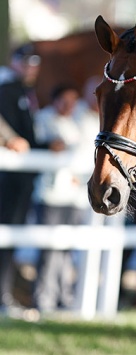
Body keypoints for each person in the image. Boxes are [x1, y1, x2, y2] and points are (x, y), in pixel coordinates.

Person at [32, 83, 90, 313]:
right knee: (48, 251)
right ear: (55, 100)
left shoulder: (75, 122)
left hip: (71, 195)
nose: (69, 106)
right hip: (49, 194)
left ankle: (63, 298)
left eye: (72, 101)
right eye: (65, 101)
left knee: (66, 251)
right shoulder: (44, 119)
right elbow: (43, 146)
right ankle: (43, 298)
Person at [0, 43, 42, 311]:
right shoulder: (7, 88)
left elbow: (29, 136)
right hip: (8, 179)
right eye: (24, 62)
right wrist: (9, 138)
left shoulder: (26, 92)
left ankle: (4, 294)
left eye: (33, 63)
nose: (29, 68)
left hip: (21, 179)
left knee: (11, 239)